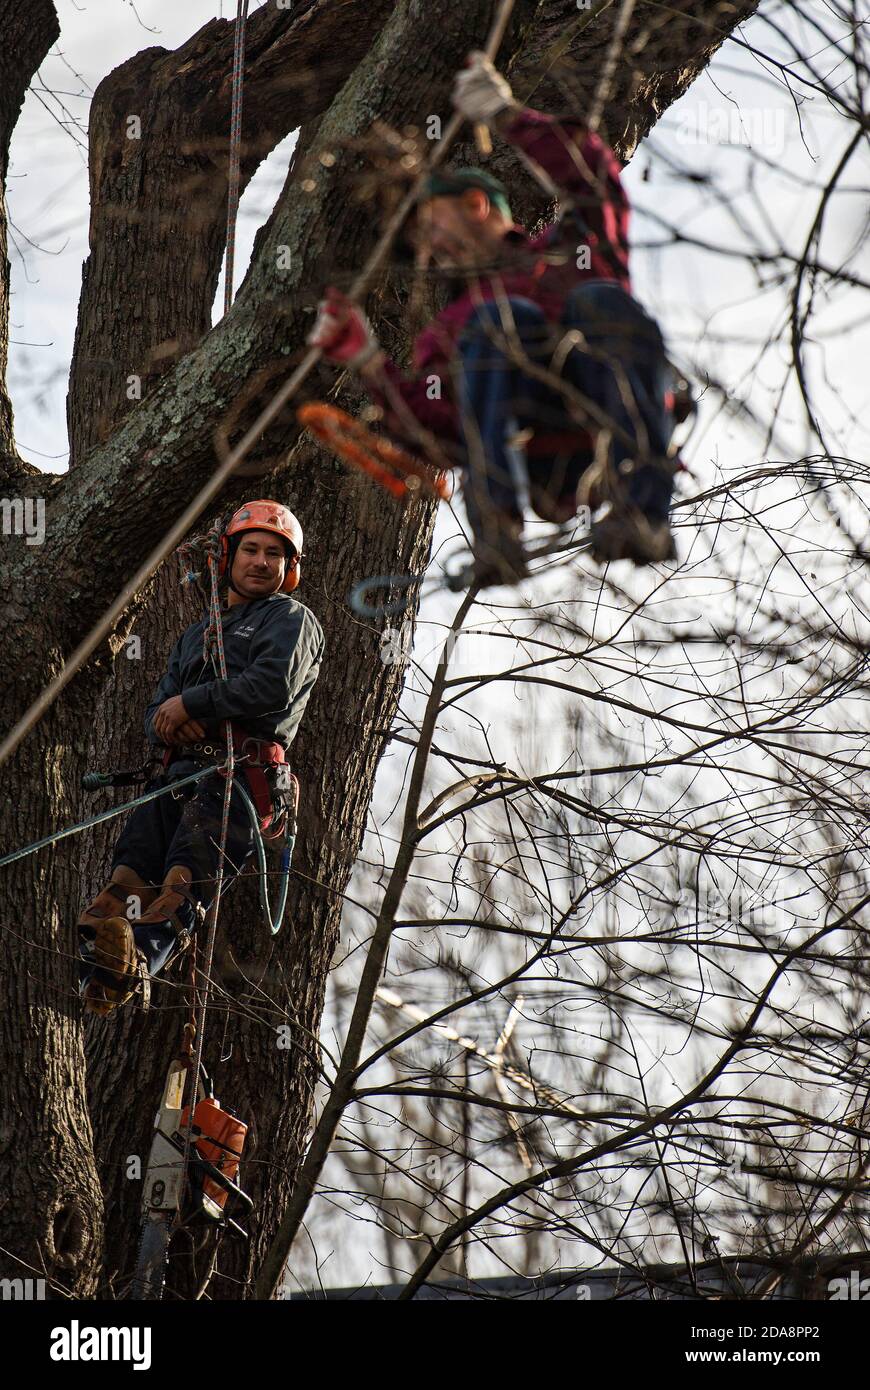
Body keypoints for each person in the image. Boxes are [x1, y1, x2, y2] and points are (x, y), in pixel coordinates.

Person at [309, 52, 683, 585]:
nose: (429, 248)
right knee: (496, 322)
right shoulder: (459, 324)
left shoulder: (574, 253)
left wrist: (506, 116)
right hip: (538, 445)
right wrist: (368, 361)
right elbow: (435, 428)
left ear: (475, 204)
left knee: (598, 301)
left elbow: (593, 179)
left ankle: (642, 510)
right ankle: (498, 532)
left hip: (606, 411)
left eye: (430, 225)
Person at [77, 500, 324, 1016]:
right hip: (177, 774)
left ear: (288, 568)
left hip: (239, 776)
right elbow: (155, 713)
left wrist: (193, 704)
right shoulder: (195, 636)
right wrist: (172, 718)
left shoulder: (290, 618)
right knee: (130, 874)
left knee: (184, 879)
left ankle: (138, 960)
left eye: (274, 554)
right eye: (251, 550)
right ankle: (100, 967)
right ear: (228, 558)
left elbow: (270, 686)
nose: (260, 562)